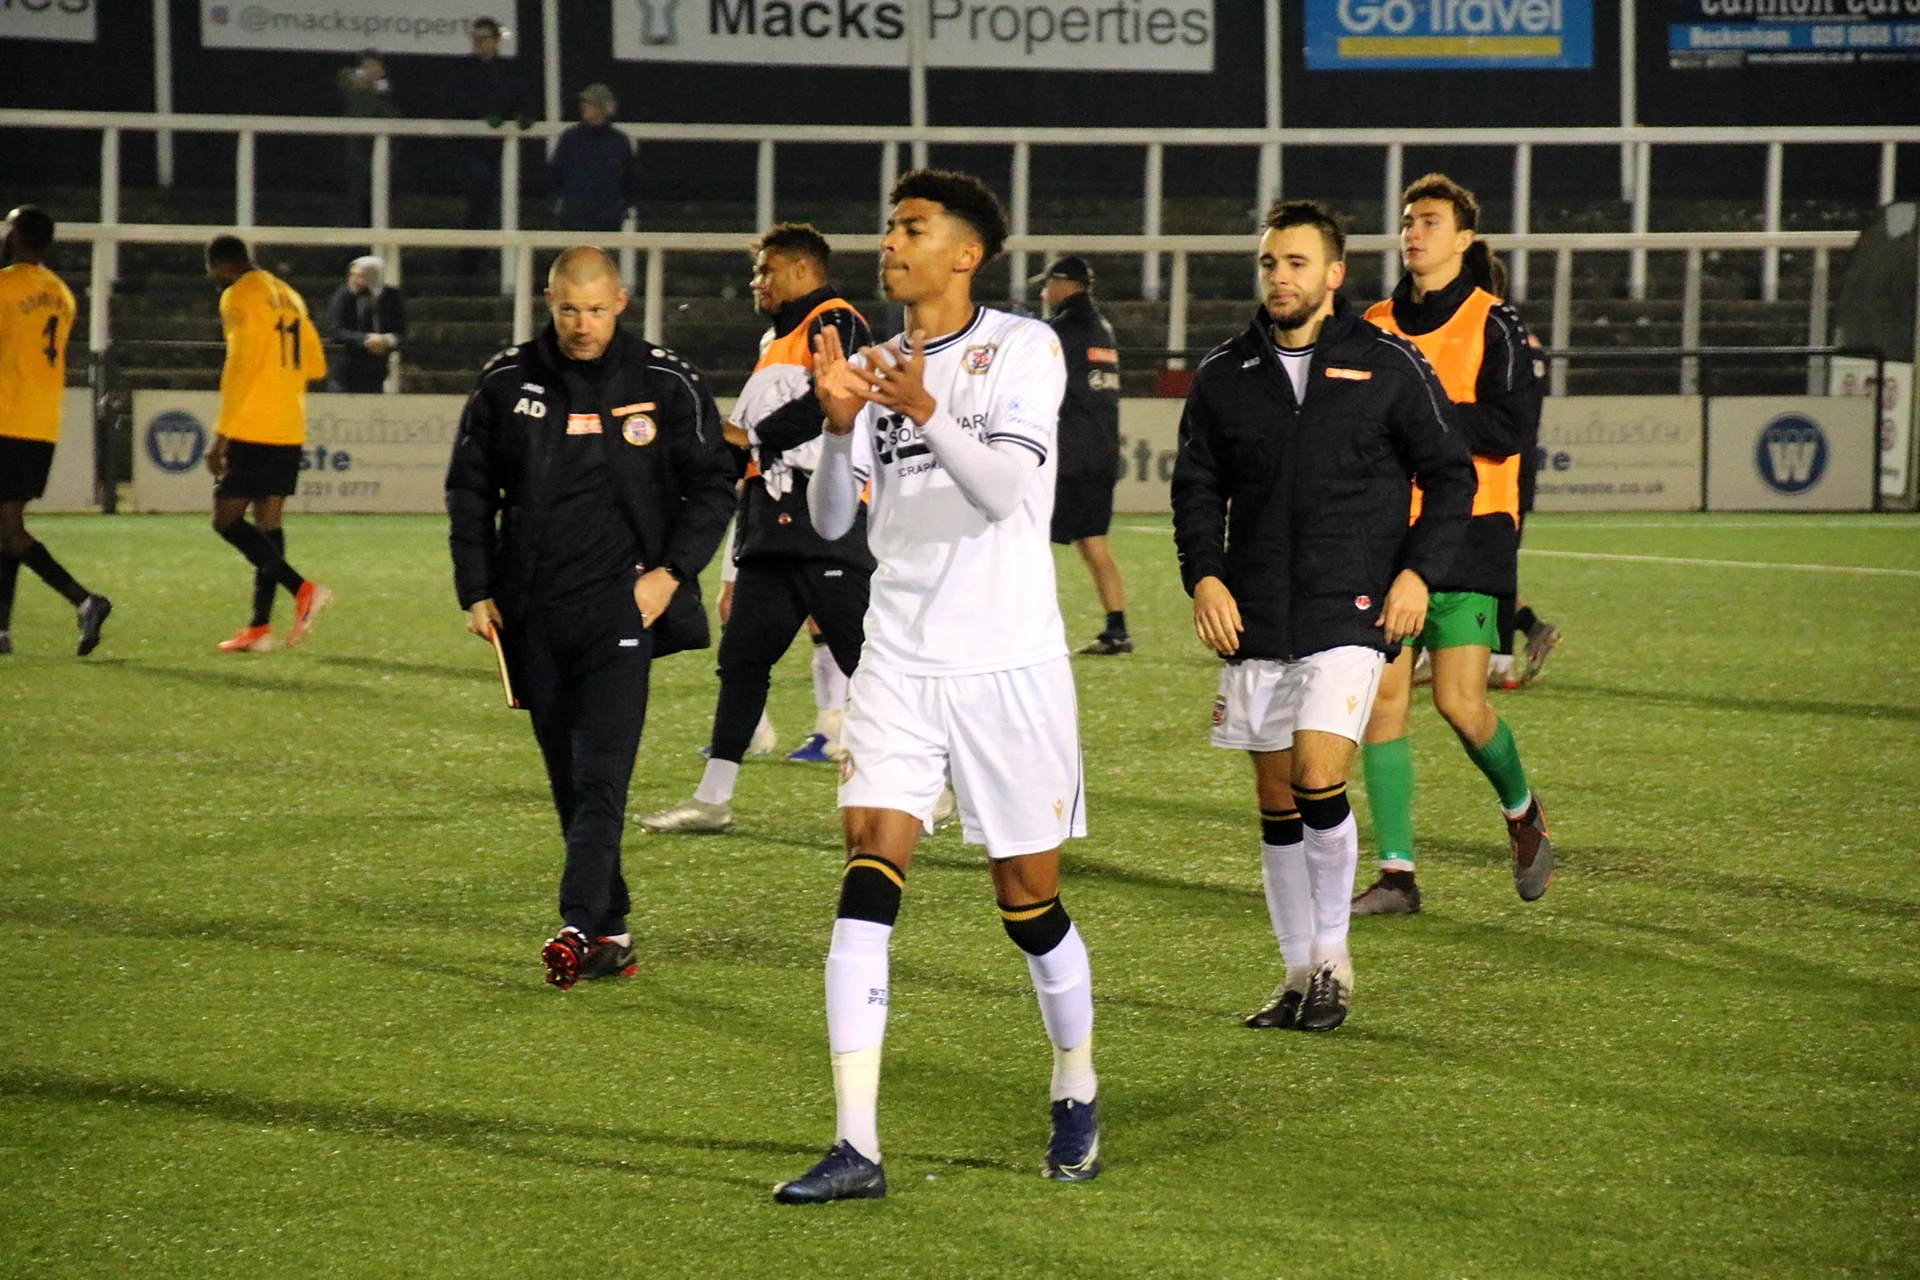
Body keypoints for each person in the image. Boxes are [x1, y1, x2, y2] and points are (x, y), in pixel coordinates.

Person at [773, 170, 1100, 1204]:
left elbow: (1008, 489)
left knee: (1026, 895)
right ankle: (856, 1143)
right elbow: (834, 521)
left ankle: (1075, 1079)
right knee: (871, 850)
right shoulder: (866, 366)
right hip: (902, 658)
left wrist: (926, 407)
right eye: (889, 226)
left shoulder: (1026, 348)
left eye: (912, 228)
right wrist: (835, 426)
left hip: (1009, 664)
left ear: (966, 253)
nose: (889, 242)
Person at [1170, 200, 1474, 1033]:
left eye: (1297, 263)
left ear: (1335, 275)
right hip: (1257, 615)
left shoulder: (1387, 363)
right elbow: (1196, 488)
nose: (1280, 277)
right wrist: (1204, 578)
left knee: (1316, 779)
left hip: (1353, 610)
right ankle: (1298, 975)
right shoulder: (1226, 373)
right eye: (1270, 263)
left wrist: (1417, 575)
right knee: (1274, 802)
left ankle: (1335, 963)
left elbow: (1452, 477)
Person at [446, 246, 735, 990]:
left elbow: (713, 485)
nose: (583, 325)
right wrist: (475, 589)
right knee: (567, 782)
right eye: (570, 309)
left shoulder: (664, 379)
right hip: (532, 613)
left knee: (602, 776)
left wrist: (671, 574)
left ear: (623, 303)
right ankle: (612, 932)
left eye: (598, 309)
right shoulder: (508, 380)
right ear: (548, 301)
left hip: (621, 610)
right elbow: (470, 491)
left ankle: (576, 923)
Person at [1351, 174, 1554, 918]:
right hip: (1385, 538)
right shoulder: (1372, 321)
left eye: (1430, 222)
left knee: (1462, 706)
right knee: (1383, 706)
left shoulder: (1494, 322)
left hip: (1471, 533)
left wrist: (1418, 416)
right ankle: (1397, 874)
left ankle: (1522, 811)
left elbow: (1509, 432)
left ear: (1464, 239)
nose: (1414, 233)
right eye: (1408, 221)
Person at [641, 223, 874, 834]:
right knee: (743, 661)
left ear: (800, 270)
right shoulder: (776, 341)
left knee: (869, 664)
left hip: (828, 522)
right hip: (772, 526)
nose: (756, 282)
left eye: (765, 270)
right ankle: (714, 799)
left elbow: (833, 398)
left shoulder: (835, 319)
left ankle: (935, 786)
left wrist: (751, 434)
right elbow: (746, 455)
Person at [204, 234, 334, 654]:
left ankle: (303, 590)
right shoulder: (287, 294)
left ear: (222, 264)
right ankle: (259, 628)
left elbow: (239, 365)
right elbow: (315, 363)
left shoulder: (239, 295)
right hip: (288, 423)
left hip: (254, 424)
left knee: (225, 520)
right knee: (268, 524)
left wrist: (222, 435)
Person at [0, 205, 109, 657]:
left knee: (8, 527)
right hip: (41, 421)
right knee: (7, 524)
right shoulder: (62, 293)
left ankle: (85, 600)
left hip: (6, 415)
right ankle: (1, 628)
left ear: (18, 236)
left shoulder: (5, 287)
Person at [1033, 255, 1130, 654]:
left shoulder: (1058, 331)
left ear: (1062, 284)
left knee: (1031, 542)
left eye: (1047, 284)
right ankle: (1117, 629)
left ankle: (1033, 630)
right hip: (1103, 454)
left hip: (1068, 456)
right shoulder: (1102, 329)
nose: (1043, 292)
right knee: (1095, 544)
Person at [1482, 255, 1563, 691]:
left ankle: (1499, 661)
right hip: (1521, 464)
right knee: (1488, 564)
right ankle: (1528, 633)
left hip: (1498, 466)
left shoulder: (1497, 339)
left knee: (1483, 566)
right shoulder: (1527, 341)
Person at [450, 17, 528, 271]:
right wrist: (482, 117)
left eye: (483, 38)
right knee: (481, 194)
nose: (478, 43)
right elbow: (457, 102)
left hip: (500, 151)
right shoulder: (463, 69)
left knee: (490, 201)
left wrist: (521, 115)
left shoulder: (509, 70)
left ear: (495, 41)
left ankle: (478, 258)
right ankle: (472, 258)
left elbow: (519, 98)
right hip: (471, 148)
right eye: (475, 38)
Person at [548, 83, 637, 235]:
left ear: (602, 108)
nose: (584, 107)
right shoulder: (570, 138)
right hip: (574, 220)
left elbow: (632, 179)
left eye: (589, 103)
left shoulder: (620, 142)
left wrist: (621, 208)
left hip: (608, 222)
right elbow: (555, 173)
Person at [323, 256, 406, 393]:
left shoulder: (391, 297)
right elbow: (336, 330)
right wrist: (365, 339)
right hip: (346, 371)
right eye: (352, 275)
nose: (354, 280)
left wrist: (386, 340)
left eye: (360, 276)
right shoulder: (343, 295)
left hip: (375, 371)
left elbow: (402, 332)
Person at [336, 49, 397, 226]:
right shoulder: (348, 80)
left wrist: (375, 83)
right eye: (365, 66)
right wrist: (367, 82)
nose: (370, 70)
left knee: (382, 203)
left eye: (374, 65)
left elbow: (388, 96)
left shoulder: (389, 90)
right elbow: (347, 81)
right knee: (356, 206)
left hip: (386, 158)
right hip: (355, 157)